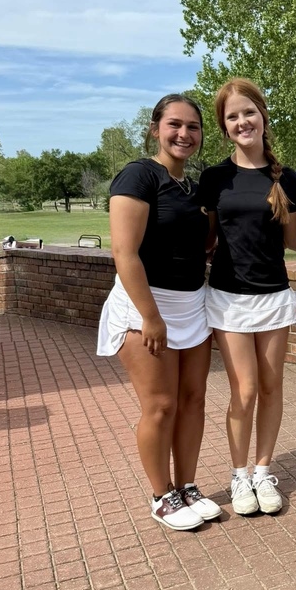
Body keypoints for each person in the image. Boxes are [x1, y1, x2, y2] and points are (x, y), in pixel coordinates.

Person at [97, 94, 221, 531]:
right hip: (146, 305)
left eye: (193, 126)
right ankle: (161, 494)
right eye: (174, 125)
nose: (184, 134)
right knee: (161, 406)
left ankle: (187, 486)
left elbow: (202, 245)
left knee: (192, 401)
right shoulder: (139, 175)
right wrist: (150, 317)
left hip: (192, 305)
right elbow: (124, 252)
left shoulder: (195, 184)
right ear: (155, 129)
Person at [199, 79, 296, 517]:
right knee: (243, 390)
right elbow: (205, 242)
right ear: (225, 127)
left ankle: (263, 470)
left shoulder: (288, 178)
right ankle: (239, 473)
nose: (242, 121)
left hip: (274, 296)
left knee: (272, 386)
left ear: (262, 117)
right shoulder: (214, 178)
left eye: (249, 112)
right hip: (227, 297)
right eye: (232, 116)